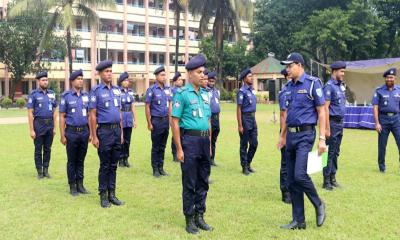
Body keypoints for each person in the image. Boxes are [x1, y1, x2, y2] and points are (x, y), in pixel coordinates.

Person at [278, 52, 326, 229]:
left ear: (299, 65)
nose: (288, 69)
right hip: (290, 135)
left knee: (300, 174)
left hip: (306, 135)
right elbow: (287, 115)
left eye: (290, 66)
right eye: (287, 67)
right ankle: (299, 220)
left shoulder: (313, 83)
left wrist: (322, 139)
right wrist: (282, 136)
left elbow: (322, 111)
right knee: (291, 180)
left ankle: (319, 203)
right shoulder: (288, 87)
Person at [171, 54, 213, 234]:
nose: (203, 75)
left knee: (203, 181)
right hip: (189, 142)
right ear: (190, 74)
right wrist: (179, 148)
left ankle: (200, 215)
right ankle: (189, 219)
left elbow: (208, 120)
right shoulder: (182, 94)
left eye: (203, 72)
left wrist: (210, 144)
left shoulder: (205, 94)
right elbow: (174, 121)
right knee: (190, 182)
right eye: (199, 72)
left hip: (204, 141)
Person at [89, 60, 124, 208]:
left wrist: (121, 132)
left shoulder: (117, 90)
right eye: (106, 71)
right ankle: (103, 195)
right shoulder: (96, 91)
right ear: (100, 74)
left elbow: (119, 112)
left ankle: (112, 194)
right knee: (105, 165)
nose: (109, 73)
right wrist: (94, 136)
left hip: (116, 131)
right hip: (104, 131)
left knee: (114, 164)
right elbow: (92, 115)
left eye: (110, 71)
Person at [59, 69, 91, 196]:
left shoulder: (86, 96)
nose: (81, 81)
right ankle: (72, 185)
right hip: (71, 133)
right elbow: (62, 116)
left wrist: (90, 133)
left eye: (82, 79)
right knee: (72, 160)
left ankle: (80, 184)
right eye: (78, 79)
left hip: (84, 132)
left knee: (81, 160)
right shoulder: (66, 96)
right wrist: (62, 135)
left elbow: (89, 115)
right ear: (72, 81)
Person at [27, 71, 57, 179]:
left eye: (46, 80)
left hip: (50, 124)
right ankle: (39, 171)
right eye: (43, 80)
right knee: (38, 149)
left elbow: (54, 111)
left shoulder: (52, 93)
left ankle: (46, 170)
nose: (45, 82)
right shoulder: (34, 94)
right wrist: (31, 130)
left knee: (48, 149)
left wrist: (54, 127)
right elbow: (30, 112)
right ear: (38, 81)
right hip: (38, 124)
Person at [322, 61, 347, 190]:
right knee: (328, 152)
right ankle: (326, 181)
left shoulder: (341, 86)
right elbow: (325, 108)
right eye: (341, 71)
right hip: (331, 123)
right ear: (334, 71)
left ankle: (333, 177)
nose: (343, 74)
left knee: (336, 152)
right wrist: (326, 128)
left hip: (340, 123)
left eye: (344, 71)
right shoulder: (329, 86)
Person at [372, 68, 400, 173]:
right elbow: (375, 107)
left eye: (391, 77)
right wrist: (377, 123)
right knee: (382, 145)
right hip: (383, 120)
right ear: (385, 79)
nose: (389, 79)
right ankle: (382, 167)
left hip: (397, 120)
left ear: (395, 78)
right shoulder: (379, 90)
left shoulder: (399, 90)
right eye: (388, 77)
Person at [145, 66, 172, 177]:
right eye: (162, 75)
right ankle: (155, 168)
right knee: (156, 146)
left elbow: (170, 105)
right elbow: (147, 106)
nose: (164, 77)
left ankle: (161, 167)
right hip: (156, 121)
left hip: (165, 121)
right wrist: (149, 122)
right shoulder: (151, 90)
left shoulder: (167, 89)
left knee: (163, 146)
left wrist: (170, 121)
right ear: (156, 76)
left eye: (165, 74)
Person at [236, 68, 258, 175]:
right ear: (245, 79)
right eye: (250, 76)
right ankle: (244, 166)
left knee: (254, 143)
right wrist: (240, 125)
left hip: (253, 119)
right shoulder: (242, 91)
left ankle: (248, 163)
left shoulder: (251, 90)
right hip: (245, 119)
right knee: (244, 144)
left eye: (252, 76)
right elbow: (239, 109)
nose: (252, 77)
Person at [277, 69, 291, 204]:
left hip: (298, 132)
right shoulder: (285, 91)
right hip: (286, 131)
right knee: (286, 162)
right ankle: (285, 191)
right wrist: (283, 135)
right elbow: (283, 115)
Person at [118, 72, 137, 168]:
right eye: (125, 80)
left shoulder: (130, 92)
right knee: (121, 139)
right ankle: (120, 159)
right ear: (121, 82)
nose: (127, 82)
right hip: (121, 117)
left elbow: (133, 106)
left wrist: (135, 119)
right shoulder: (118, 92)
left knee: (128, 140)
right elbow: (118, 108)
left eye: (127, 80)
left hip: (129, 117)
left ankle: (126, 158)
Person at [207, 71, 220, 167]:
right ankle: (208, 159)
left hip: (216, 118)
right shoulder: (205, 91)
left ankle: (212, 159)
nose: (212, 83)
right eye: (210, 81)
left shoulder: (216, 91)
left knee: (214, 139)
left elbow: (218, 105)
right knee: (208, 139)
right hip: (209, 118)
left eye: (213, 81)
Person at [171, 71, 184, 162]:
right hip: (175, 115)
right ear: (175, 82)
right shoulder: (173, 91)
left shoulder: (183, 90)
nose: (181, 81)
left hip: (182, 116)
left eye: (181, 79)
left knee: (181, 134)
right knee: (175, 134)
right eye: (178, 80)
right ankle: (174, 153)